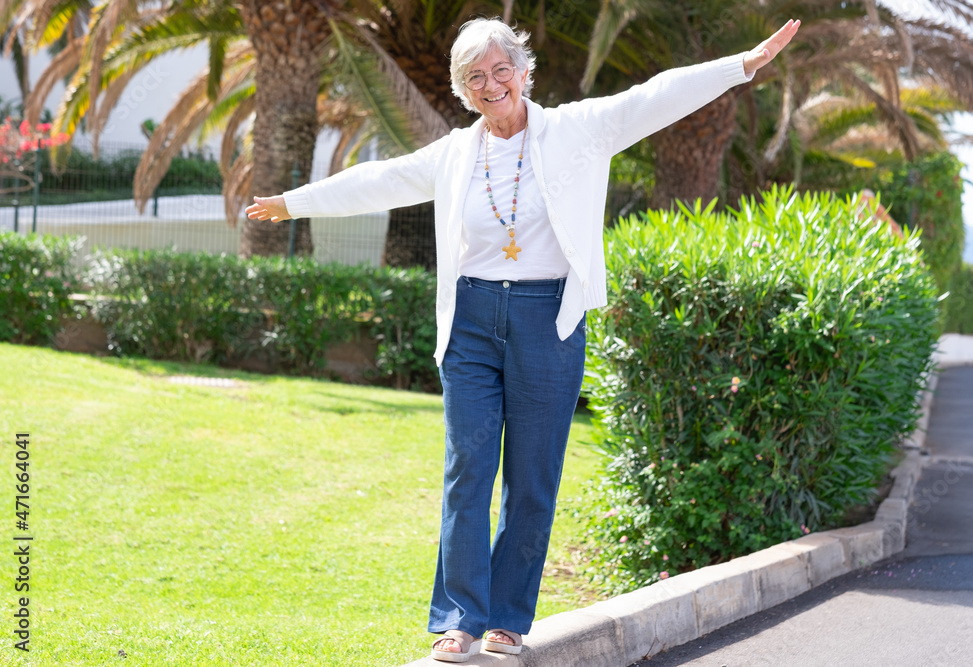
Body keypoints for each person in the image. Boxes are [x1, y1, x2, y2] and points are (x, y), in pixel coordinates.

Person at [246, 16, 799, 663]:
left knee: (532, 476)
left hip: (547, 318)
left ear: (524, 73)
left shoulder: (578, 131)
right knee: (466, 471)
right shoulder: (456, 152)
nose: (490, 83)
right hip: (473, 321)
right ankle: (459, 617)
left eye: (500, 70)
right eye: (475, 76)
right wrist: (291, 202)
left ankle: (507, 618)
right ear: (463, 89)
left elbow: (654, 97)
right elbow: (380, 180)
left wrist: (743, 64)